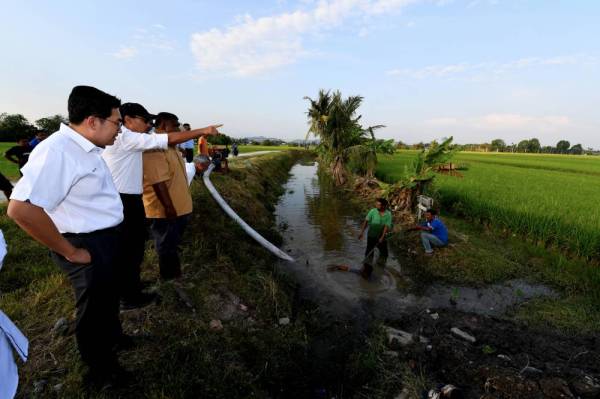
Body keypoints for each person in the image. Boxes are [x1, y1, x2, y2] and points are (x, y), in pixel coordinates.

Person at [7, 85, 129, 388]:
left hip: (105, 238)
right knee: (93, 311)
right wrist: (70, 251)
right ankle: (100, 372)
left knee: (108, 299)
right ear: (92, 121)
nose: (120, 130)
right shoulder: (58, 151)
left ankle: (114, 341)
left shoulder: (84, 147)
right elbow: (20, 209)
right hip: (85, 243)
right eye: (117, 122)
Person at [102, 103, 220, 310]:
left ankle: (133, 287)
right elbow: (158, 179)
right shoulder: (129, 138)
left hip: (132, 199)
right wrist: (202, 130)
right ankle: (130, 296)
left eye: (150, 121)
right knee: (134, 250)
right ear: (127, 119)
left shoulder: (141, 142)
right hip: (124, 201)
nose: (149, 124)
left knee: (135, 250)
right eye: (145, 120)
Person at [142, 112, 196, 280]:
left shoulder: (171, 146)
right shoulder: (154, 147)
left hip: (178, 208)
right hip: (165, 210)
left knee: (171, 244)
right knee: (166, 245)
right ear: (164, 125)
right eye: (175, 125)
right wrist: (169, 207)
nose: (178, 128)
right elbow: (158, 182)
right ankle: (169, 279)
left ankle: (174, 274)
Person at [358, 198, 392, 269]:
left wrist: (382, 237)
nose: (376, 206)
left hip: (381, 236)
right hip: (371, 235)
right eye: (376, 204)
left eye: (378, 205)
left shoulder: (388, 214)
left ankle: (380, 266)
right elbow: (366, 221)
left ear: (384, 206)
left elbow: (386, 226)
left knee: (384, 253)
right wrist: (361, 232)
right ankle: (367, 266)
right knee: (369, 251)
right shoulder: (373, 211)